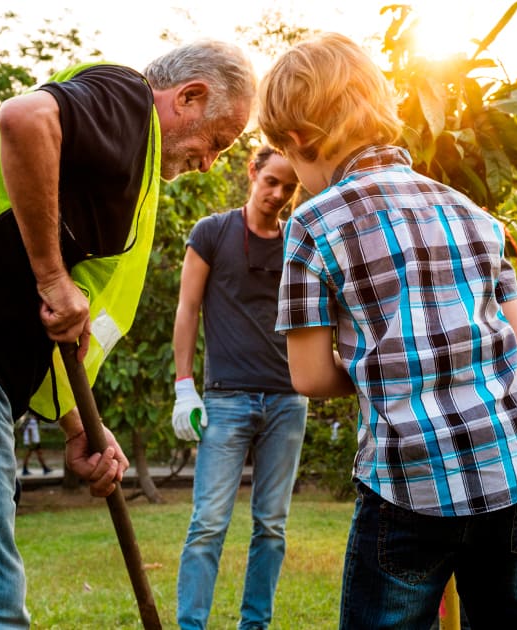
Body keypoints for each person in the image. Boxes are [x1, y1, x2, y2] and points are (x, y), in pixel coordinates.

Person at [0, 39, 257, 626]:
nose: (209, 162)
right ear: (190, 97)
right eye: (217, 142)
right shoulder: (129, 102)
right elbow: (24, 117)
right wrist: (51, 278)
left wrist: (80, 427)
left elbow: (63, 322)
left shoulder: (129, 161)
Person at [258, 32, 517, 629]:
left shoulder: (313, 225)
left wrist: (392, 368)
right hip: (512, 461)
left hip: (409, 479)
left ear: (297, 139)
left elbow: (309, 376)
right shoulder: (472, 213)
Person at [171, 145, 307, 629]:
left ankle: (255, 625)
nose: (278, 194)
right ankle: (191, 625)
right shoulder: (212, 232)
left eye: (288, 187)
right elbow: (187, 309)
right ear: (252, 173)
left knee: (271, 527)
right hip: (226, 398)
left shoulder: (297, 243)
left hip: (288, 401)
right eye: (271, 181)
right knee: (208, 523)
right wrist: (184, 386)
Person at [19, 412, 53, 476]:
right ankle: (25, 469)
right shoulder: (28, 419)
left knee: (38, 454)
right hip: (31, 441)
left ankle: (44, 468)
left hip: (35, 440)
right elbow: (21, 429)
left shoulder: (36, 419)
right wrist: (29, 437)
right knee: (29, 455)